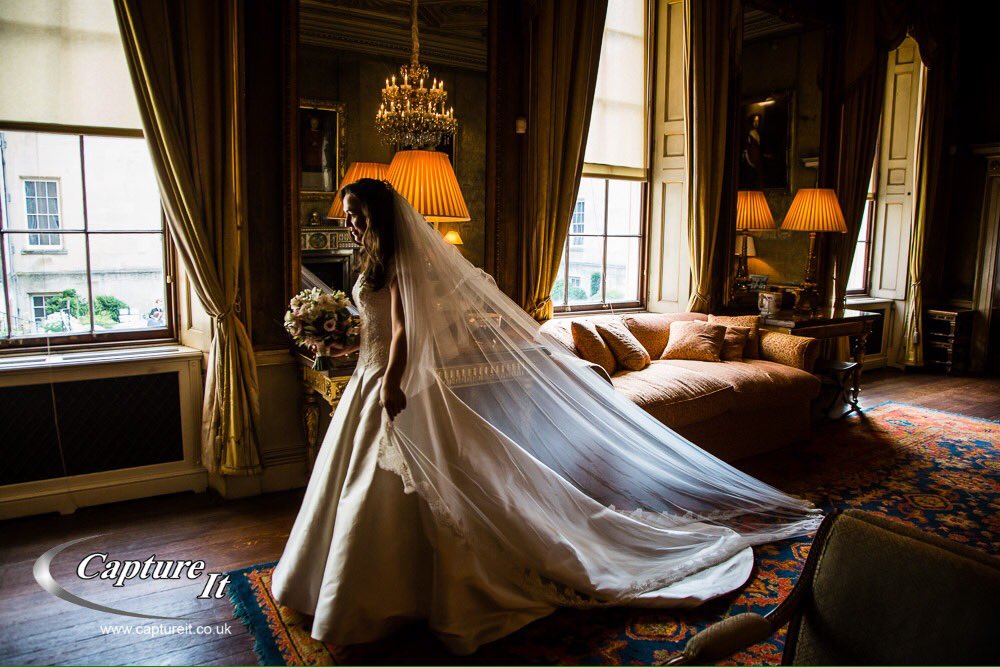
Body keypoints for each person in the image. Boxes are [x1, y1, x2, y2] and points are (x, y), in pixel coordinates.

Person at [270, 178, 822, 655]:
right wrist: (342, 348)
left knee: (408, 488)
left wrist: (390, 380)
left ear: (379, 218)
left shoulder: (400, 262)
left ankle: (408, 593)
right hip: (368, 381)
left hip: (390, 384)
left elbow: (404, 332)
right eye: (347, 218)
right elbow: (375, 327)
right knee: (374, 486)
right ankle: (373, 588)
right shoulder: (371, 262)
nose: (350, 226)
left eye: (357, 217)